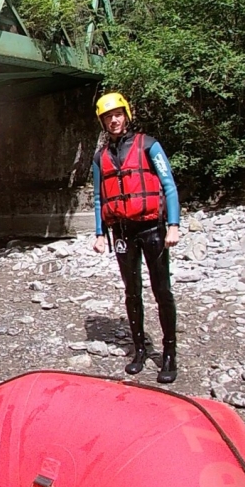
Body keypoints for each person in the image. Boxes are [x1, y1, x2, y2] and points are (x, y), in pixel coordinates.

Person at [92, 93, 181, 384]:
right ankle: (139, 349)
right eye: (108, 116)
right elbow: (98, 197)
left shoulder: (148, 145)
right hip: (122, 232)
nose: (114, 120)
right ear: (103, 122)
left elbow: (168, 185)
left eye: (118, 114)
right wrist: (99, 233)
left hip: (152, 228)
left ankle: (168, 353)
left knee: (162, 290)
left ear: (126, 115)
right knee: (132, 292)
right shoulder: (100, 157)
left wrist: (173, 225)